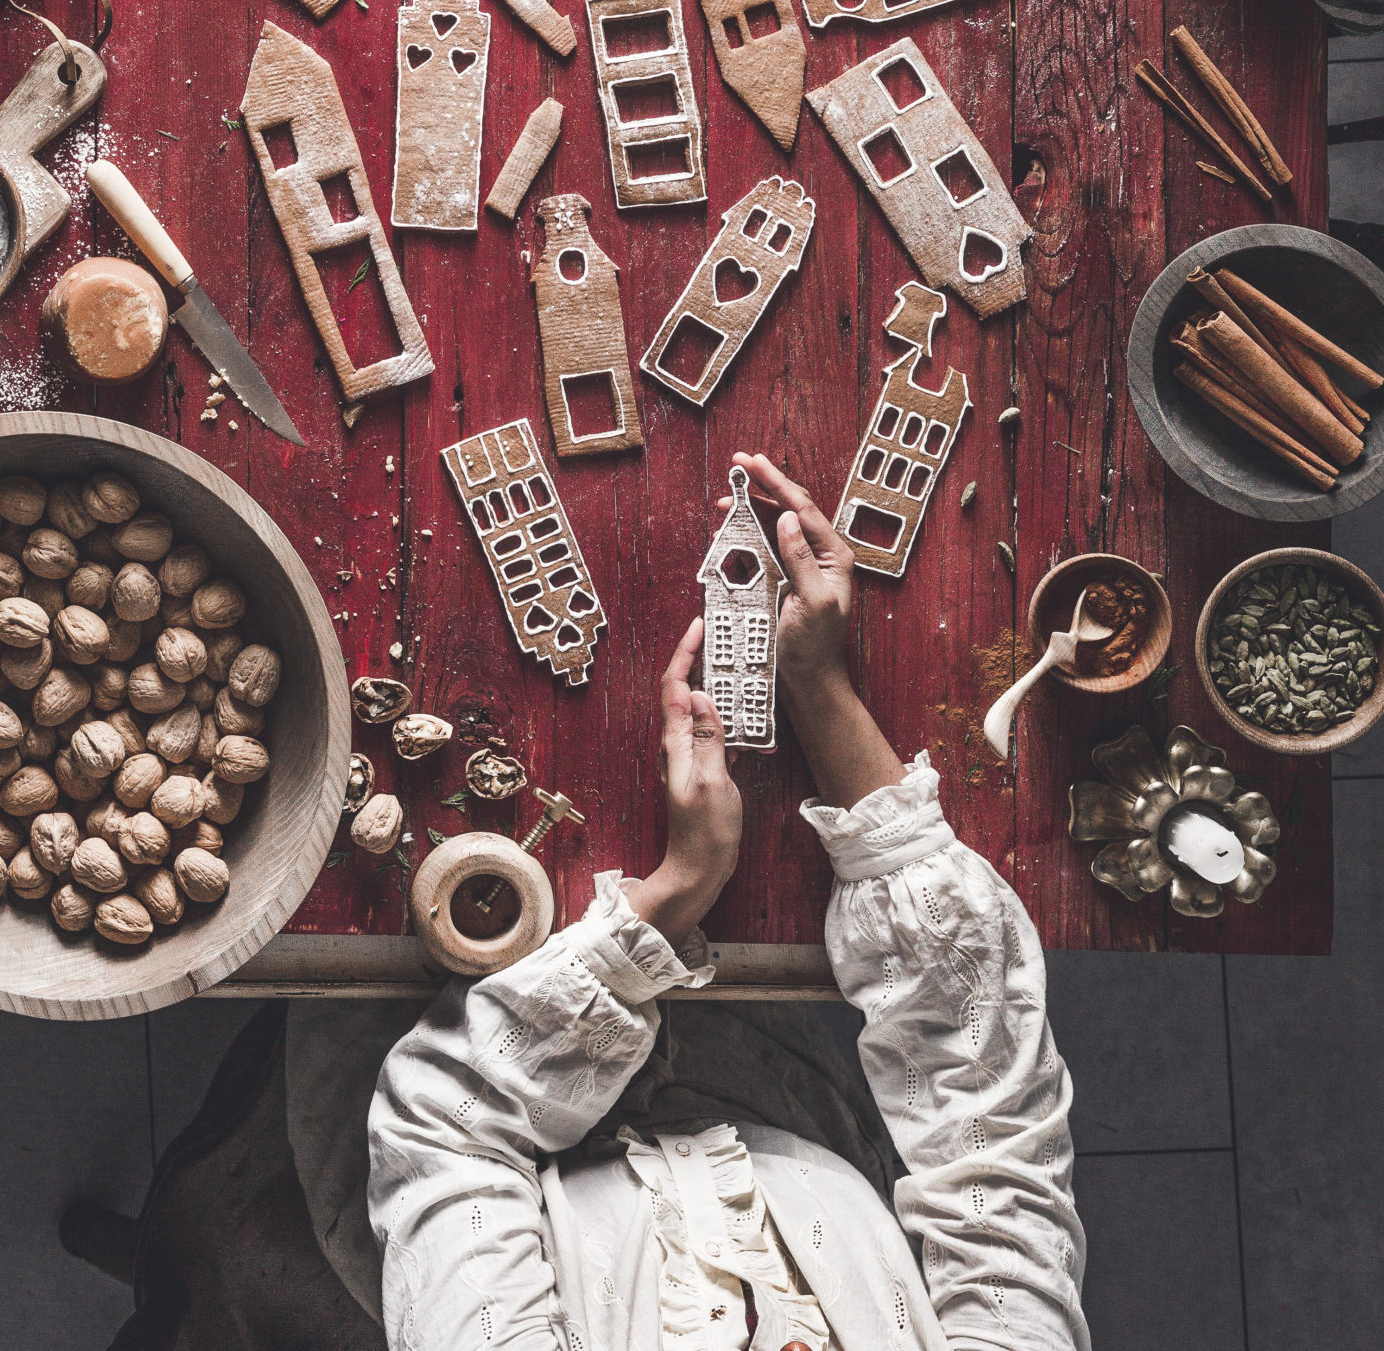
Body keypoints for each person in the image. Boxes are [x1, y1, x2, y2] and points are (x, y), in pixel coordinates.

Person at [365, 453, 1089, 1349]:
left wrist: (674, 894)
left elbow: (442, 1132)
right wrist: (823, 695)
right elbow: (992, 1131)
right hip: (808, 1094)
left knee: (358, 959)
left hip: (508, 1082)